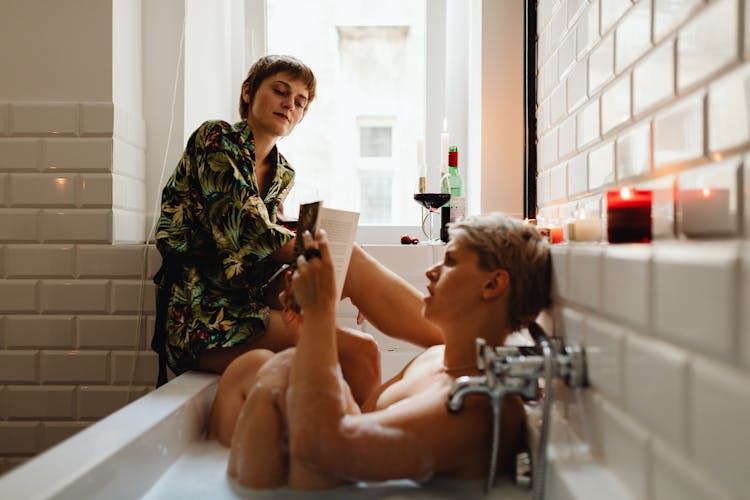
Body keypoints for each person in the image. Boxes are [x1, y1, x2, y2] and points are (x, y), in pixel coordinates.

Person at [153, 54, 444, 401]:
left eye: (300, 102)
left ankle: (457, 344)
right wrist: (326, 261)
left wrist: (338, 270)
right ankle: (365, 442)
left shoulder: (282, 172)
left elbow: (269, 256)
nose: (290, 104)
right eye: (280, 91)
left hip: (248, 298)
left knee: (347, 258)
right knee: (361, 350)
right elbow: (249, 233)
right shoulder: (215, 139)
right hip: (203, 314)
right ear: (248, 92)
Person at [217, 213, 551, 489]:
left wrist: (320, 314)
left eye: (449, 261)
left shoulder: (472, 408)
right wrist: (310, 329)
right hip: (343, 477)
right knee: (260, 367)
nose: (430, 272)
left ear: (493, 284)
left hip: (331, 467)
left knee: (282, 370)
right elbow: (359, 419)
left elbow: (321, 446)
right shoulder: (437, 358)